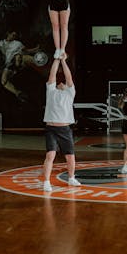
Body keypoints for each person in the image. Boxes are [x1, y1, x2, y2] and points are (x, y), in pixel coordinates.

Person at [42, 53, 81, 192]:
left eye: (63, 82)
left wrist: (64, 61)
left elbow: (68, 77)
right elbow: (52, 74)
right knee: (50, 155)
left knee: (70, 157)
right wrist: (56, 59)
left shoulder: (70, 93)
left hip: (65, 129)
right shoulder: (51, 91)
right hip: (51, 128)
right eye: (60, 82)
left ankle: (71, 178)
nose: (61, 82)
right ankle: (46, 182)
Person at [0, 30, 40, 101]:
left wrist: (35, 49)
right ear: (8, 34)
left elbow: (26, 51)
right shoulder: (2, 43)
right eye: (12, 35)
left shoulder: (17, 43)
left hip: (20, 60)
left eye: (15, 36)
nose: (13, 37)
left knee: (28, 59)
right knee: (4, 81)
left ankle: (43, 64)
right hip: (10, 64)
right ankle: (18, 93)